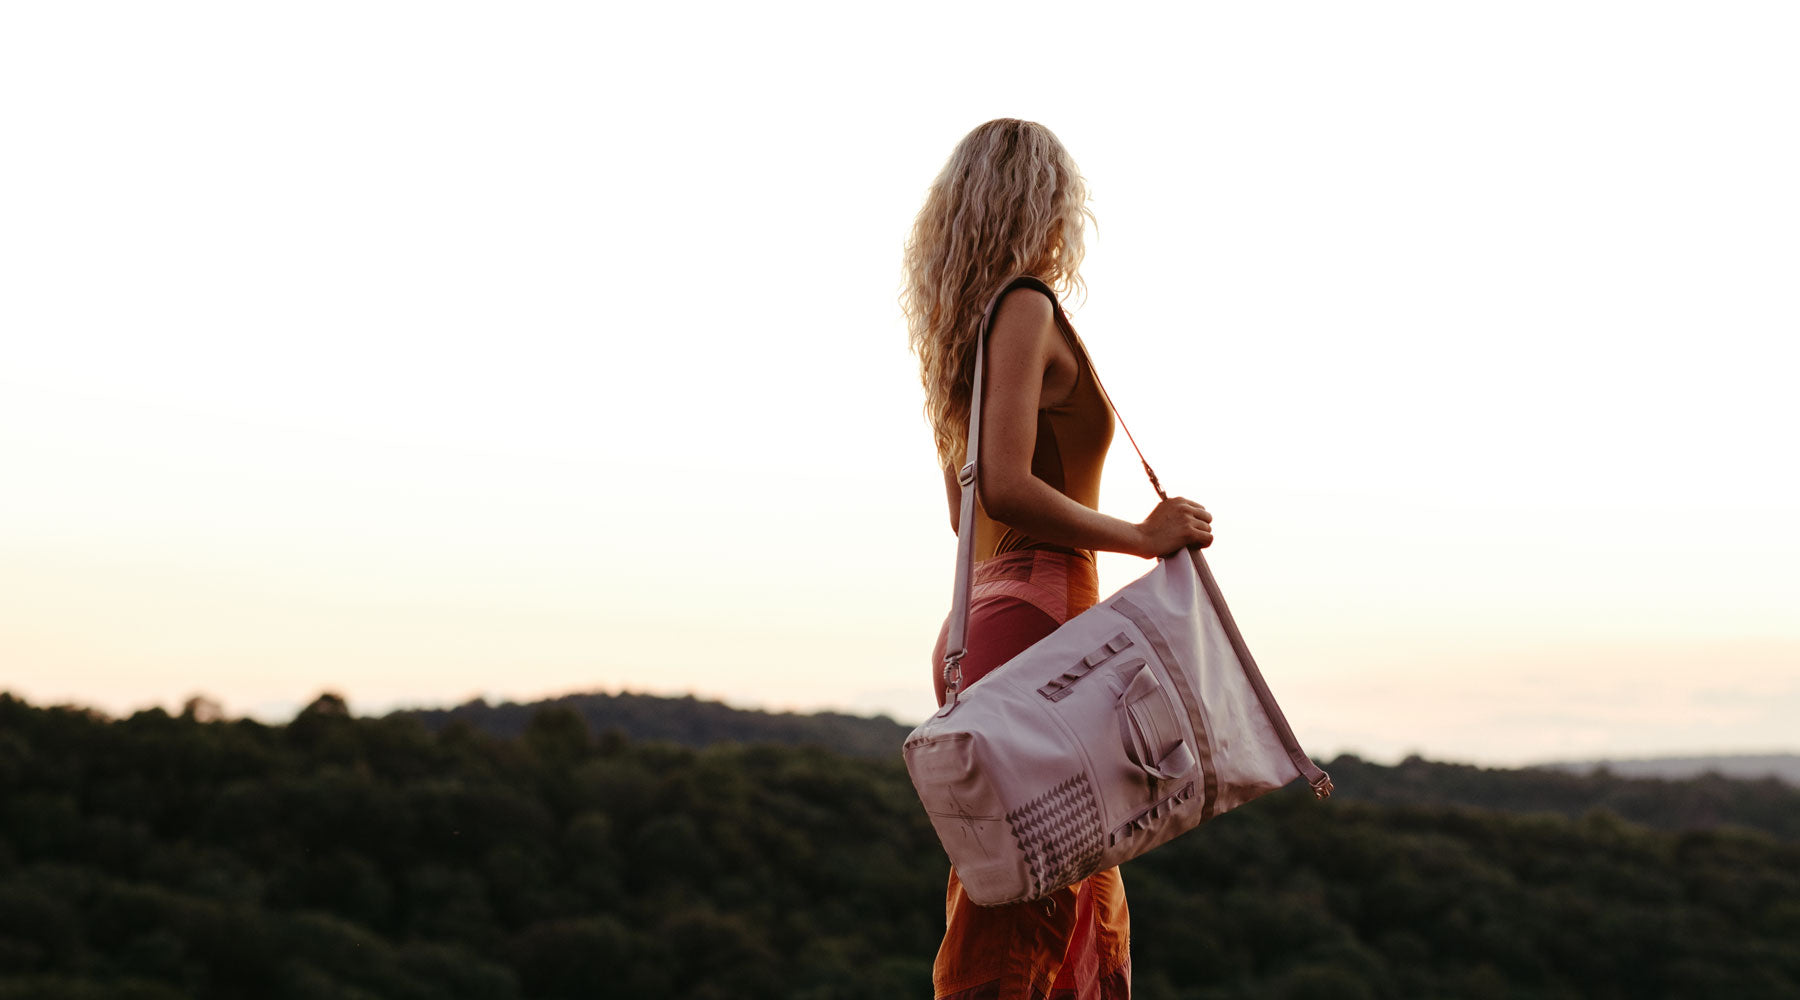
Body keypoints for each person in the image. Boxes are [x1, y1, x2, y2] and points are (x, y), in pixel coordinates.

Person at [902, 118, 1216, 1000]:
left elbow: (967, 516)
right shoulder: (1027, 306)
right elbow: (1004, 487)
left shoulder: (962, 337)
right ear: (1046, 203)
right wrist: (1143, 538)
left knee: (1057, 883)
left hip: (992, 619)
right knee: (1029, 907)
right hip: (1041, 622)